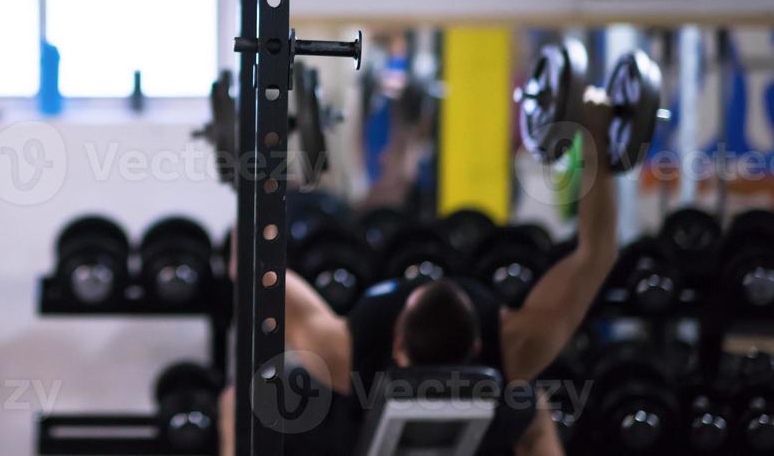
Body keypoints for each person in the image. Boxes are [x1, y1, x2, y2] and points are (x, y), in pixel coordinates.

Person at [220, 91, 618, 455]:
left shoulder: (344, 353)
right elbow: (596, 254)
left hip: (379, 417)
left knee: (236, 403)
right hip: (376, 433)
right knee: (534, 409)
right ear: (478, 344)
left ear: (397, 344)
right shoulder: (516, 346)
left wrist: (258, 166)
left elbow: (251, 268)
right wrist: (596, 137)